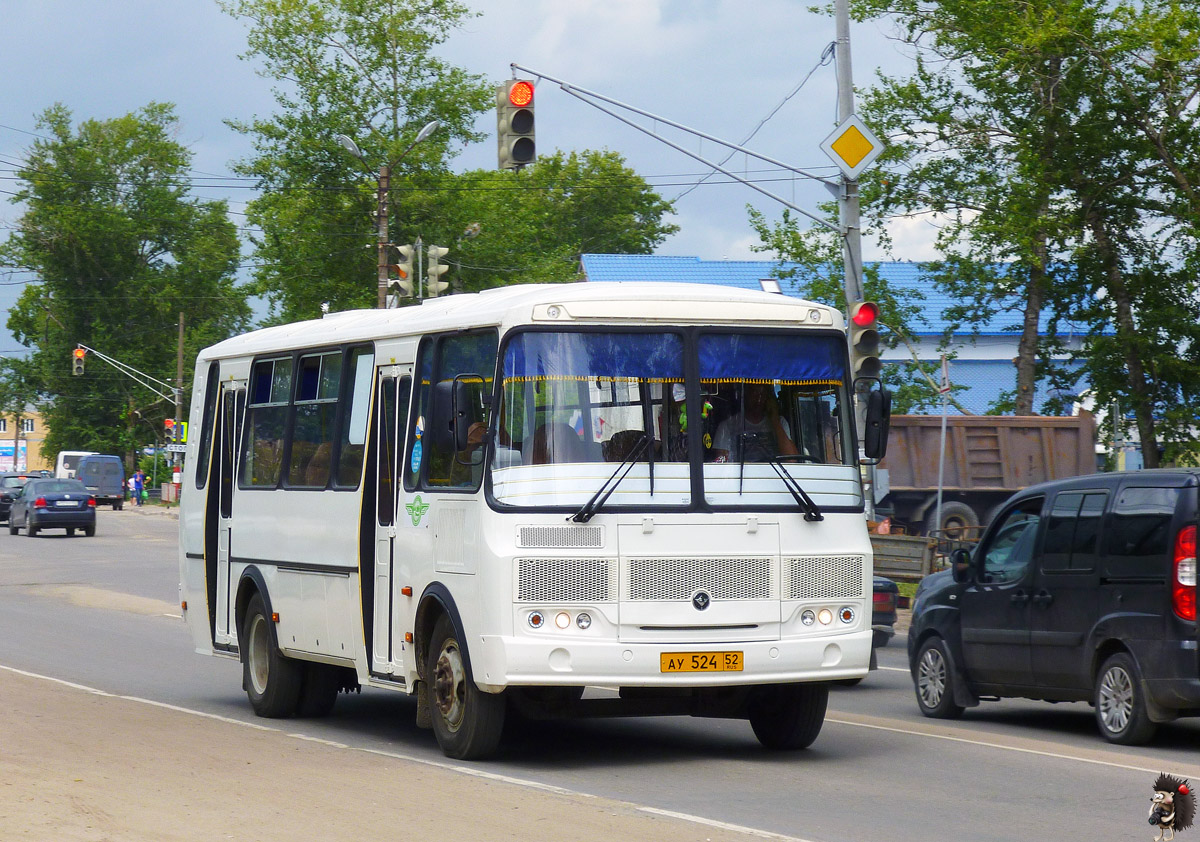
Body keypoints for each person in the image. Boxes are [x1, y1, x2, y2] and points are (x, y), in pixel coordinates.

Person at [711, 383, 798, 462]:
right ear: (745, 395)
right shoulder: (727, 426)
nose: (758, 399)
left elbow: (791, 460)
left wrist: (775, 420)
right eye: (754, 392)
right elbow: (721, 464)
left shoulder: (780, 423)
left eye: (762, 394)